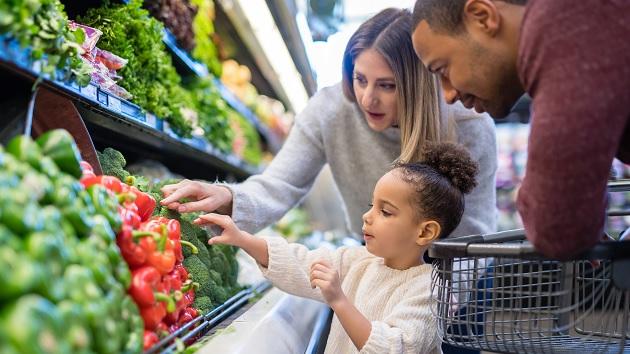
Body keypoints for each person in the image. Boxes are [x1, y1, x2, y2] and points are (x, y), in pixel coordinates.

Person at [160, 8, 497, 244]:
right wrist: (228, 196)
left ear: (417, 85)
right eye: (360, 79)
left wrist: (439, 302)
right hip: (377, 261)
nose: (367, 98)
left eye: (387, 85)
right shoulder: (330, 109)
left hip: (454, 271)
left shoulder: (467, 122)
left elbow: (475, 228)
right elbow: (279, 185)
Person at [195, 142, 478, 354]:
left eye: (386, 211)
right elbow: (300, 263)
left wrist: (339, 300)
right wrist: (242, 238)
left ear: (425, 231)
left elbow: (393, 347)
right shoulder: (358, 260)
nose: (368, 216)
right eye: (371, 206)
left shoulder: (429, 291)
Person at [410, 0, 630, 259]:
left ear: (482, 17)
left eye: (443, 69)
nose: (448, 94)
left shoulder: (565, 26)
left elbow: (558, 225)